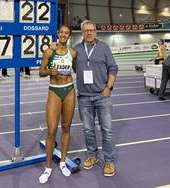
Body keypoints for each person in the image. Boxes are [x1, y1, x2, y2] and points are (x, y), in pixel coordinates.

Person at [75, 20, 118, 176]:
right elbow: (67, 63)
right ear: (82, 32)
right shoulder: (76, 49)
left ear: (96, 32)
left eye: (92, 30)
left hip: (102, 96)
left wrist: (109, 87)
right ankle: (92, 156)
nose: (89, 32)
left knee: (107, 130)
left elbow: (113, 67)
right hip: (84, 97)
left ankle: (109, 161)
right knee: (88, 130)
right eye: (86, 30)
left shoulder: (104, 47)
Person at [38, 25, 77, 184]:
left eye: (66, 33)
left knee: (66, 127)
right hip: (54, 91)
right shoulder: (49, 51)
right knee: (52, 130)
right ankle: (47, 168)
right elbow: (41, 72)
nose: (63, 35)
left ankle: (62, 162)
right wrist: (49, 72)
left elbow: (77, 69)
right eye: (61, 32)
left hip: (69, 90)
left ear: (69, 36)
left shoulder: (73, 53)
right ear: (57, 34)